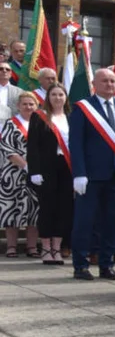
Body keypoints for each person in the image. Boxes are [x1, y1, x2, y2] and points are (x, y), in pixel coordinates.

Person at [70, 68, 115, 280]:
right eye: (105, 81)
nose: (110, 85)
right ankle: (81, 265)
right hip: (90, 176)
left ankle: (106, 264)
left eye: (112, 81)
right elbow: (76, 143)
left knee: (111, 222)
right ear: (95, 83)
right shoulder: (83, 108)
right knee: (85, 222)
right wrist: (79, 173)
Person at [27, 84, 73, 265]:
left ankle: (57, 247)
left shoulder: (71, 117)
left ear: (66, 97)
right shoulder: (39, 117)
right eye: (53, 94)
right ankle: (46, 247)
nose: (57, 98)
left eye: (61, 94)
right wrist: (34, 171)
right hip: (46, 168)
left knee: (64, 208)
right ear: (48, 97)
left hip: (66, 166)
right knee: (47, 208)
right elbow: (32, 146)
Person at [1, 92, 41, 257]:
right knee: (12, 209)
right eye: (24, 104)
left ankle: (31, 247)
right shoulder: (10, 124)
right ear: (18, 106)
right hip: (13, 174)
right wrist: (25, 165)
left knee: (35, 210)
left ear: (36, 106)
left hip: (37, 175)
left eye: (31, 104)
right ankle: (11, 246)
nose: (28, 107)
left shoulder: (42, 124)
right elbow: (6, 147)